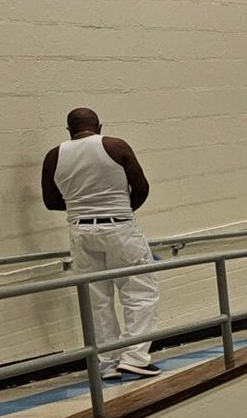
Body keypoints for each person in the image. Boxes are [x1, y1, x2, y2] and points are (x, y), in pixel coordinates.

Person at [41, 107, 160, 378]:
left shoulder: (54, 155)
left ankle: (106, 364)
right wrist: (123, 210)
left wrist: (82, 208)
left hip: (81, 231)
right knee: (139, 291)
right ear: (99, 126)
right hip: (119, 226)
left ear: (69, 131)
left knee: (97, 299)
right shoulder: (115, 146)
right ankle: (136, 357)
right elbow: (141, 187)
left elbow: (50, 201)